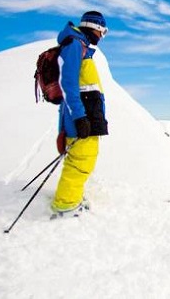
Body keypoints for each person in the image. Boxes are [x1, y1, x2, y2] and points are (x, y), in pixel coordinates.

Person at [50, 11, 109, 214]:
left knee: (83, 157)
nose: (102, 36)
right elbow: (67, 84)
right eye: (103, 31)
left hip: (85, 113)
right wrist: (79, 116)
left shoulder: (79, 45)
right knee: (81, 160)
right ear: (95, 27)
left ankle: (71, 195)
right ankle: (66, 205)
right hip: (82, 115)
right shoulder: (75, 45)